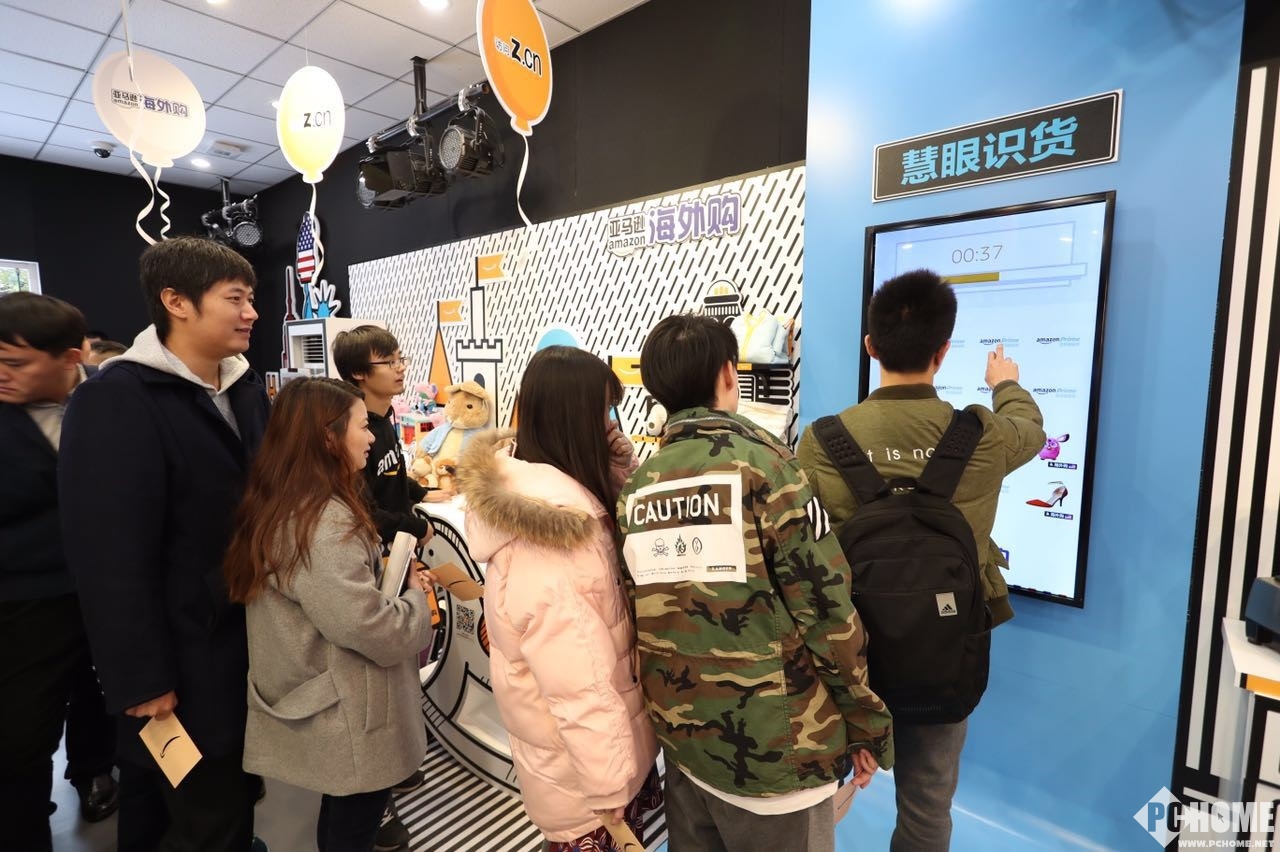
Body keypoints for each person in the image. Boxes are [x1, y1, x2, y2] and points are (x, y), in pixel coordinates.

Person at [616, 315, 892, 852]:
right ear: (728, 374)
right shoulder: (766, 468)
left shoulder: (638, 488)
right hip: (777, 756)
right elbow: (826, 611)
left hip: (685, 747)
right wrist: (866, 722)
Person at [796, 268, 1046, 851]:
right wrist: (1006, 384)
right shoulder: (982, 435)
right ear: (943, 351)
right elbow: (1032, 430)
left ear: (870, 346)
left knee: (818, 797)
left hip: (851, 659)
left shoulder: (822, 440)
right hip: (946, 655)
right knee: (929, 804)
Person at [59, 236, 270, 851]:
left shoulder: (243, 388)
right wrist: (140, 678)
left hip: (240, 640)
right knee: (203, 815)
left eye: (251, 298)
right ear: (176, 301)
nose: (251, 313)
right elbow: (107, 555)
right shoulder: (115, 398)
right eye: (235, 299)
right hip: (178, 656)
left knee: (195, 805)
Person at [457, 346, 661, 851]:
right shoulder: (554, 539)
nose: (611, 425)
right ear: (577, 418)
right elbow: (579, 680)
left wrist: (618, 470)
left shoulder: (551, 499)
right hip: (590, 781)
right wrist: (609, 786)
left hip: (588, 758)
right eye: (605, 411)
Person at [224, 377, 433, 852]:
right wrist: (414, 600)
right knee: (352, 825)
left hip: (330, 699)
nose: (372, 437)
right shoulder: (323, 521)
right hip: (349, 708)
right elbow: (367, 626)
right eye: (362, 426)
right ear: (328, 437)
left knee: (344, 813)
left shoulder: (290, 502)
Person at [0, 293, 118, 851]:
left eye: (16, 363)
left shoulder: (116, 400)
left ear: (71, 357)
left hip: (115, 597)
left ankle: (96, 774)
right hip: (28, 610)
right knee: (20, 745)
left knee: (113, 703)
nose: (2, 374)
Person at [332, 324, 433, 849]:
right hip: (371, 565)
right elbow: (363, 509)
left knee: (399, 663)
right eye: (387, 361)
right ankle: (377, 799)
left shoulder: (386, 420)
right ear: (357, 374)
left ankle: (395, 766)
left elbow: (391, 481)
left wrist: (421, 492)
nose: (399, 368)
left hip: (394, 561)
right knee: (376, 671)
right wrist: (412, 523)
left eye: (399, 358)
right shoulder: (353, 429)